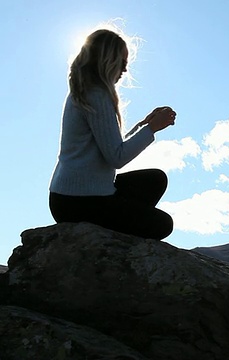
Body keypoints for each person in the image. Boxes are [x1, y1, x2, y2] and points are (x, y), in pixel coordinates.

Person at [49, 28, 176, 240]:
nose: (125, 70)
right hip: (81, 201)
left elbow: (107, 145)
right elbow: (117, 157)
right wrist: (152, 129)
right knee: (163, 224)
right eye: (122, 62)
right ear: (107, 60)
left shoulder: (85, 90)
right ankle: (111, 235)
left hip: (69, 197)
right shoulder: (96, 95)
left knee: (155, 179)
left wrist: (144, 124)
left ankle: (116, 221)